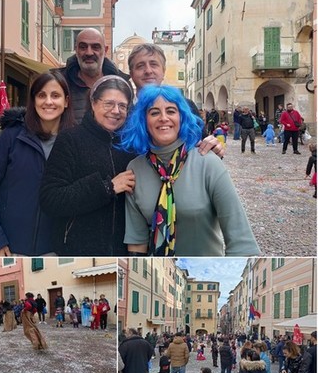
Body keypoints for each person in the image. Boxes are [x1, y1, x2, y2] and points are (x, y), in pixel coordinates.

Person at [120, 85, 261, 256]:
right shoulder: (135, 169)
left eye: (171, 111)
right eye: (154, 112)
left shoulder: (208, 163)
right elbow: (137, 241)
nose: (163, 118)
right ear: (143, 121)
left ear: (182, 117)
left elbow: (241, 242)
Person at [0, 71, 76, 256]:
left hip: (56, 250)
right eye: (41, 95)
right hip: (11, 249)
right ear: (33, 100)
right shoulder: (12, 136)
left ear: (66, 101)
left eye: (55, 95)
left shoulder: (75, 142)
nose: (48, 102)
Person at [40, 75, 136, 255]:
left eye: (122, 106)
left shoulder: (131, 146)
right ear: (93, 103)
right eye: (109, 103)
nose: (116, 111)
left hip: (123, 252)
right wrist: (107, 187)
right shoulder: (70, 139)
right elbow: (50, 199)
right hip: (78, 250)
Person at [56, 28, 130, 122]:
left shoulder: (122, 85)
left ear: (105, 50)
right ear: (76, 50)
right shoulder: (59, 82)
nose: (89, 53)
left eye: (95, 47)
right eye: (83, 47)